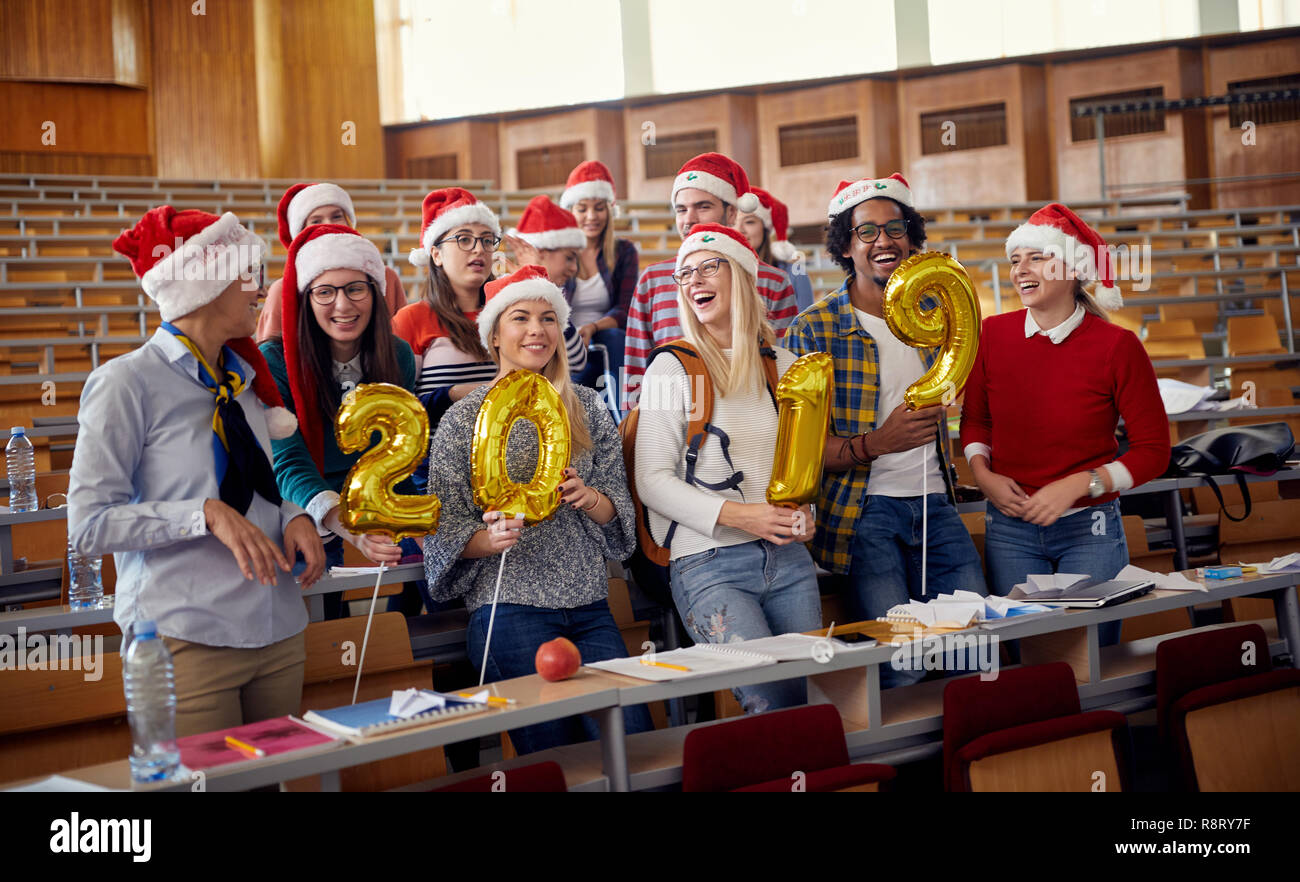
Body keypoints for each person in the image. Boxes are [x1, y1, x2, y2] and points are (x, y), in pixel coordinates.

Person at [69, 206, 325, 736]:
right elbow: (90, 525)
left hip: (278, 628)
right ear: (204, 285)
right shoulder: (126, 383)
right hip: (185, 635)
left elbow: (261, 481)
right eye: (246, 276)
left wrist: (296, 513)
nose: (260, 290)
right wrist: (203, 515)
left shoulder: (244, 379)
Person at [422, 265, 653, 754]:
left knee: (631, 743)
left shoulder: (587, 407)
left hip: (589, 605)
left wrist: (591, 499)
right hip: (510, 607)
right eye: (521, 318)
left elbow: (620, 519)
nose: (537, 330)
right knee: (555, 756)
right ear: (496, 335)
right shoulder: (463, 418)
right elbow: (440, 525)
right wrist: (485, 540)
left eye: (549, 318)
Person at [787, 175, 986, 687]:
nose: (884, 240)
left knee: (974, 655)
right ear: (846, 246)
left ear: (912, 236)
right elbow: (800, 453)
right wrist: (879, 442)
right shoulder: (814, 328)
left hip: (937, 505)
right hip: (865, 516)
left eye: (895, 227)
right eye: (867, 231)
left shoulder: (939, 315)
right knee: (903, 669)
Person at [635, 224, 821, 713]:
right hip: (707, 562)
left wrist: (806, 512)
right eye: (685, 272)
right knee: (772, 701)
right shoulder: (669, 369)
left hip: (788, 560)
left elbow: (800, 467)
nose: (694, 279)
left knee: (814, 697)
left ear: (740, 274)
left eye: (708, 266)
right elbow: (652, 481)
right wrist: (746, 517)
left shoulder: (785, 365)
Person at [960, 204, 1170, 626]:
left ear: (1073, 269)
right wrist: (982, 474)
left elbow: (1154, 451)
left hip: (1089, 528)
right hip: (1010, 527)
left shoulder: (1118, 346)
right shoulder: (991, 335)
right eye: (1015, 260)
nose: (1021, 269)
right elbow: (977, 422)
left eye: (1037, 257)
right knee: (1028, 653)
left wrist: (1081, 483)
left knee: (1089, 658)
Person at [260, 224, 419, 619]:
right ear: (306, 300)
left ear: (375, 294)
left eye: (355, 289)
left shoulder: (397, 355)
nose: (343, 306)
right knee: (322, 625)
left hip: (371, 502)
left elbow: (397, 452)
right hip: (296, 507)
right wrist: (351, 525)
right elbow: (288, 463)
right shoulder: (275, 360)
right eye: (325, 292)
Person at [393, 188, 586, 432]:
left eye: (486, 240)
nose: (478, 249)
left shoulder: (513, 310)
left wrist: (538, 288)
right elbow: (397, 411)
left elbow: (577, 361)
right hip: (434, 462)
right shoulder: (412, 319)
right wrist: (453, 395)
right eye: (464, 239)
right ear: (436, 254)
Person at [622, 152, 799, 409]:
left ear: (731, 214)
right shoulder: (652, 280)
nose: (689, 219)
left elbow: (782, 368)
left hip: (750, 419)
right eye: (681, 209)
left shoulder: (773, 281)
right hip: (671, 424)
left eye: (703, 207)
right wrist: (636, 433)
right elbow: (637, 368)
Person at [256, 182, 407, 342]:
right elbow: (270, 355)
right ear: (300, 233)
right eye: (315, 221)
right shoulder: (281, 290)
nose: (329, 225)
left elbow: (403, 339)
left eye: (337, 216)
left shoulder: (386, 277)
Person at [557, 160, 639, 392]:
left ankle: (624, 416)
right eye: (582, 208)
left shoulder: (624, 252)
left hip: (605, 340)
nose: (591, 216)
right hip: (567, 341)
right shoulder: (559, 253)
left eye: (599, 208)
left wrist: (592, 327)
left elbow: (625, 310)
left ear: (609, 211)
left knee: (613, 336)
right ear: (571, 211)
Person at [736, 187, 814, 312]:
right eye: (733, 222)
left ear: (765, 229)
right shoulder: (722, 274)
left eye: (749, 222)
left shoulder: (795, 275)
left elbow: (806, 326)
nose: (739, 229)